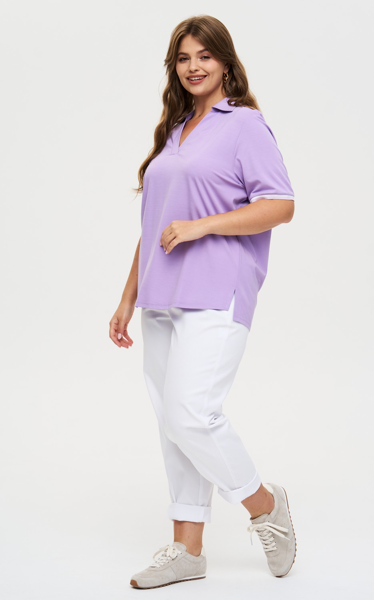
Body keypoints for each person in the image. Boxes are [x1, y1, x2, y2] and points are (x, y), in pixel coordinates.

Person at [109, 14, 297, 590]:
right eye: (183, 58)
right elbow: (154, 225)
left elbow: (281, 204)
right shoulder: (174, 130)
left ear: (225, 62)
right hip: (161, 295)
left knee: (192, 413)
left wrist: (201, 226)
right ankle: (188, 549)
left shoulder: (244, 125)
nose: (193, 67)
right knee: (173, 424)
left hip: (217, 288)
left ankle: (265, 506)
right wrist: (126, 297)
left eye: (204, 56)